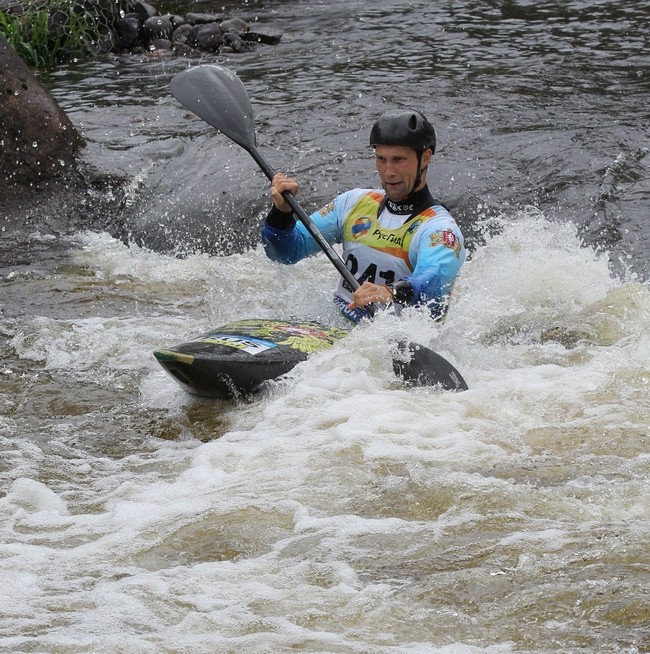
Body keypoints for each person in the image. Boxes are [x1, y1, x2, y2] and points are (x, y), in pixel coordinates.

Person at [261, 110, 465, 323]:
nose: (388, 171)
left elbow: (435, 282)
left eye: (398, 160)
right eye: (381, 159)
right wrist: (282, 213)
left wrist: (390, 291)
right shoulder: (354, 203)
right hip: (336, 325)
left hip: (395, 336)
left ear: (425, 158)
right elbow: (286, 253)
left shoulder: (439, 228)